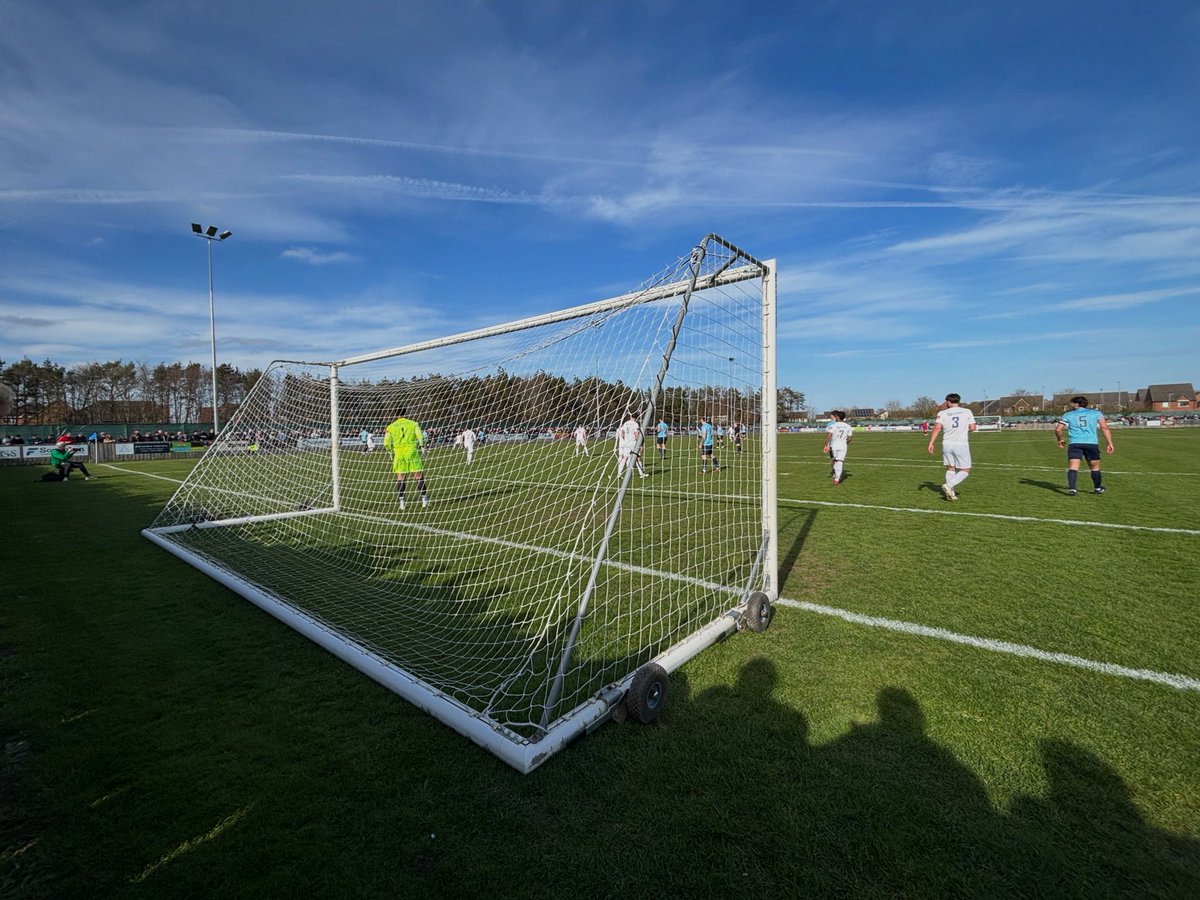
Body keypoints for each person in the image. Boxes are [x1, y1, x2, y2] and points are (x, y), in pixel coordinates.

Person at [1054, 396, 1114, 495]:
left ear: (1077, 404)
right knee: (1095, 467)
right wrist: (1110, 443)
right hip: (1091, 443)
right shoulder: (1096, 413)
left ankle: (1072, 489)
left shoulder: (1068, 415)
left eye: (1072, 403)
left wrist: (1060, 439)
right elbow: (1105, 428)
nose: (1071, 405)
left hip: (1075, 443)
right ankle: (1098, 488)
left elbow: (1058, 429)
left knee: (1073, 467)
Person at [927, 393, 976, 501]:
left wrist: (931, 442)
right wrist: (963, 430)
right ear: (958, 401)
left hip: (947, 444)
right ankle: (949, 486)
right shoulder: (967, 411)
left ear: (948, 402)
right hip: (961, 444)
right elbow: (973, 427)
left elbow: (937, 428)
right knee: (965, 469)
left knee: (950, 468)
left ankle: (951, 493)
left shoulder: (942, 413)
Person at [384, 408, 428, 509]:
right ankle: (424, 500)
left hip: (399, 454)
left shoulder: (390, 427)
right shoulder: (413, 424)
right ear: (406, 413)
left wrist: (390, 450)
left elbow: (386, 442)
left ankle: (402, 503)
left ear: (395, 414)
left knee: (400, 478)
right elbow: (420, 436)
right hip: (412, 452)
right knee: (418, 476)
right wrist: (422, 446)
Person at [823, 411, 853, 485]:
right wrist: (844, 444)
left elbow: (829, 436)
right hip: (843, 446)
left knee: (835, 460)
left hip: (834, 445)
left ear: (838, 417)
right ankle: (837, 479)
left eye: (835, 416)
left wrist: (826, 445)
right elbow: (849, 439)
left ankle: (836, 475)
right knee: (840, 461)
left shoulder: (833, 425)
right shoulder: (848, 426)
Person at [614, 413, 647, 478]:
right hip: (633, 443)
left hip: (626, 442)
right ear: (636, 418)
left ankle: (619, 474)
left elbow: (622, 432)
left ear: (631, 416)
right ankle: (641, 474)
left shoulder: (626, 423)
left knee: (624, 458)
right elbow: (636, 434)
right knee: (637, 458)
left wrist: (625, 438)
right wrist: (639, 443)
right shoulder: (635, 424)